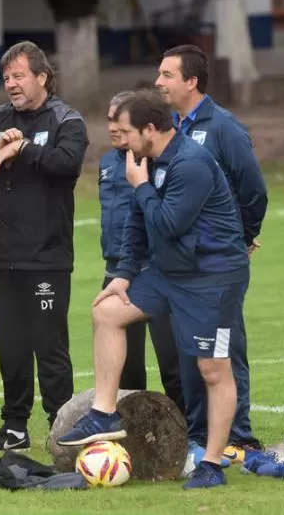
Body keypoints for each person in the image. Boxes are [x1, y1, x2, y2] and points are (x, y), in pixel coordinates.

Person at [56, 89, 250, 490]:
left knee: (213, 370)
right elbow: (138, 222)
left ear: (150, 129)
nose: (120, 137)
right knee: (107, 310)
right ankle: (105, 412)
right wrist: (124, 274)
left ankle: (212, 463)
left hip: (212, 279)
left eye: (126, 130)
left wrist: (141, 185)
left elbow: (168, 224)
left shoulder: (190, 164)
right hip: (170, 273)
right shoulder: (145, 160)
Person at [0, 41, 88, 453]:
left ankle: (61, 426)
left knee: (49, 346)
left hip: (47, 256)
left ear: (42, 77)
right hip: (2, 256)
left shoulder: (67, 119)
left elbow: (66, 163)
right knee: (11, 346)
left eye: (18, 76)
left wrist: (25, 148)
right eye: (6, 78)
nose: (11, 85)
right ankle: (14, 427)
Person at [154, 44, 268, 458]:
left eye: (167, 75)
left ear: (191, 81)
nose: (158, 82)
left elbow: (253, 189)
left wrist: (242, 234)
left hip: (217, 263)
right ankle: (199, 435)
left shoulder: (223, 127)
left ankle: (238, 436)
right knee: (191, 348)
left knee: (224, 347)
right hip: (180, 263)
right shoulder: (166, 127)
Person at [99, 91, 183, 411]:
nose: (113, 127)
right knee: (124, 365)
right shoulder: (108, 161)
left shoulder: (156, 159)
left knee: (171, 359)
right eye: (109, 120)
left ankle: (188, 431)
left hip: (153, 268)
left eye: (120, 121)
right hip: (116, 269)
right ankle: (132, 431)